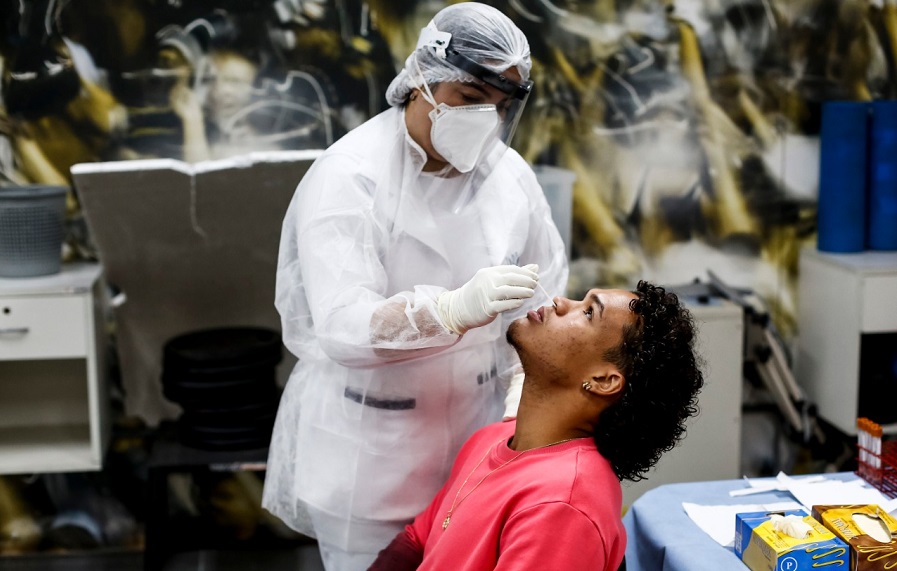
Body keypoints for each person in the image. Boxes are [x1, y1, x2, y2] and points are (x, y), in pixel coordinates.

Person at [261, 3, 569, 570]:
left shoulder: (508, 177)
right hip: (371, 462)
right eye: (471, 101)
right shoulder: (350, 176)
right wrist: (449, 312)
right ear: (423, 81)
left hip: (479, 450)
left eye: (500, 107)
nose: (487, 119)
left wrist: (525, 395)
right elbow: (341, 328)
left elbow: (545, 293)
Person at [367, 280, 704, 571]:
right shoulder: (492, 438)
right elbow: (416, 541)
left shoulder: (563, 503)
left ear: (603, 379)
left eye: (588, 312)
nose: (560, 302)